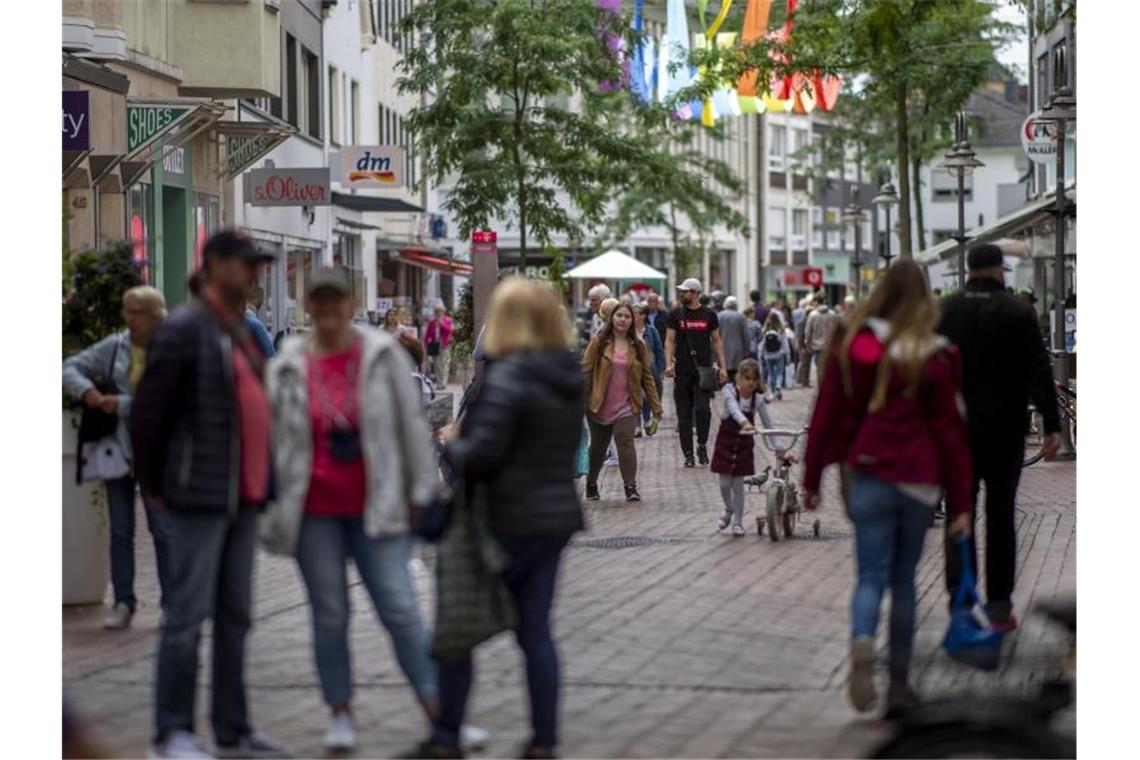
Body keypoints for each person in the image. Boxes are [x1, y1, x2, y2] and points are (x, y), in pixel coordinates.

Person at [262, 268, 442, 753]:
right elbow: (273, 437)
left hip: (377, 506)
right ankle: (339, 711)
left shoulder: (381, 357)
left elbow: (410, 427)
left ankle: (439, 712)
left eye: (336, 300)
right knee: (329, 614)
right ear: (306, 304)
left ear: (352, 301)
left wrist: (424, 494)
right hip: (314, 509)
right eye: (318, 301)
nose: (328, 310)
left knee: (400, 608)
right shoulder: (288, 364)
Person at [130, 231, 286, 759]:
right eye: (246, 264)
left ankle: (232, 728)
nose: (255, 272)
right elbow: (149, 415)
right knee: (186, 618)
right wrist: (154, 484)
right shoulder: (185, 328)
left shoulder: (236, 329)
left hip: (241, 495)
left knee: (236, 615)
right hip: (199, 493)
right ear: (215, 266)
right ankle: (171, 732)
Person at [418, 278, 586, 759]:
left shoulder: (508, 378)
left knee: (456, 629)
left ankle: (448, 735)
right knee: (535, 632)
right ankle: (544, 740)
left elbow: (485, 454)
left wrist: (451, 441)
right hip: (553, 519)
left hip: (503, 519)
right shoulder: (565, 378)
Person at [801, 260, 973, 718]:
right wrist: (961, 502)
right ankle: (898, 683)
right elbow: (951, 432)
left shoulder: (853, 344)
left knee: (870, 576)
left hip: (868, 472)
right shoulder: (935, 354)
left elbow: (827, 412)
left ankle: (861, 640)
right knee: (903, 581)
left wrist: (811, 477)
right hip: (919, 480)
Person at [937, 244, 1062, 632]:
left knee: (960, 512)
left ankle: (960, 599)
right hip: (1004, 430)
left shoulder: (945, 311)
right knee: (1001, 515)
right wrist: (1052, 423)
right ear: (999, 272)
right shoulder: (1018, 312)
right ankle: (998, 605)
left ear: (969, 270)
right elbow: (1037, 369)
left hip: (956, 430)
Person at [63, 285, 172, 630]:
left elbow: (168, 401)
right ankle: (123, 601)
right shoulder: (116, 345)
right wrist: (88, 392)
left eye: (136, 312)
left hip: (157, 452)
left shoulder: (170, 349)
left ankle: (172, 603)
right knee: (121, 531)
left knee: (163, 530)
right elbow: (68, 367)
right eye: (127, 311)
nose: (130, 319)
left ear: (156, 315)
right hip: (119, 451)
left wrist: (120, 404)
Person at [582, 303, 663, 501]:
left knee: (625, 442)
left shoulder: (638, 345)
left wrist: (655, 406)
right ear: (612, 318)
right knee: (598, 448)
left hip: (627, 405)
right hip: (599, 404)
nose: (623, 319)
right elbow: (586, 371)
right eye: (619, 315)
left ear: (632, 320)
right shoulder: (599, 342)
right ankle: (591, 482)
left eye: (627, 316)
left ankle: (630, 486)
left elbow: (647, 378)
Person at [664, 278, 729, 468]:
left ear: (695, 293)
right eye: (682, 291)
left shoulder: (709, 315)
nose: (682, 294)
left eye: (685, 291)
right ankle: (688, 454)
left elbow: (717, 341)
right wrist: (669, 364)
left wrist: (723, 366)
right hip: (682, 372)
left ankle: (701, 445)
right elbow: (669, 341)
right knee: (683, 415)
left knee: (703, 410)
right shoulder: (675, 314)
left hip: (704, 371)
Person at [711, 359, 773, 536]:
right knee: (724, 484)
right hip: (726, 444)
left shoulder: (758, 400)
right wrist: (745, 422)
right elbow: (734, 410)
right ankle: (729, 509)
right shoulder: (730, 393)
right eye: (747, 378)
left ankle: (737, 522)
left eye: (754, 379)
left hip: (744, 446)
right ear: (739, 378)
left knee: (738, 486)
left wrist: (776, 445)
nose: (750, 383)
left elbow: (768, 424)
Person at [633, 303, 665, 438]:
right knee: (637, 396)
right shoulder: (629, 332)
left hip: (650, 369)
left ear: (642, 316)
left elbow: (659, 350)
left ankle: (646, 420)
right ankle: (637, 426)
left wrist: (661, 369)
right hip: (633, 369)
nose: (633, 316)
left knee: (647, 397)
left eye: (635, 313)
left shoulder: (651, 331)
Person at [803, 297, 841, 383]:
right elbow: (837, 330)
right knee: (828, 368)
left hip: (817, 346)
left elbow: (808, 331)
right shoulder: (833, 314)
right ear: (824, 302)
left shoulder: (812, 315)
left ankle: (821, 384)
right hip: (829, 346)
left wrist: (807, 343)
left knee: (819, 367)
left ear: (817, 302)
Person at [717, 296, 753, 385]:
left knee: (724, 369)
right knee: (736, 371)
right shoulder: (740, 317)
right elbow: (746, 335)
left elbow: (715, 335)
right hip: (738, 349)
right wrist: (747, 350)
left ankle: (726, 387)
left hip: (723, 348)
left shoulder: (719, 316)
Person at [760, 311, 790, 401]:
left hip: (768, 355)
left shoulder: (765, 329)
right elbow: (784, 342)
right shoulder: (781, 329)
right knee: (780, 371)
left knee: (771, 373)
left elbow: (762, 343)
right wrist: (787, 353)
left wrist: (762, 353)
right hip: (779, 353)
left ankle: (772, 392)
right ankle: (778, 385)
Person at [424, 304, 454, 388]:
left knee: (444, 364)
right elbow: (427, 335)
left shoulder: (448, 320)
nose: (438, 313)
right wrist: (426, 345)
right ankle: (439, 383)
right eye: (437, 311)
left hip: (444, 344)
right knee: (437, 365)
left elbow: (449, 331)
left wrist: (441, 323)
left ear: (443, 312)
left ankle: (443, 382)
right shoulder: (432, 322)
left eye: (440, 311)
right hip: (434, 345)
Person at [793, 297, 812, 388]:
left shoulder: (806, 321)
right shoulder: (802, 322)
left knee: (806, 363)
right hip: (803, 344)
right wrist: (800, 346)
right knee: (803, 362)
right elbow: (800, 335)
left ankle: (804, 380)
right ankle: (800, 379)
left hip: (807, 344)